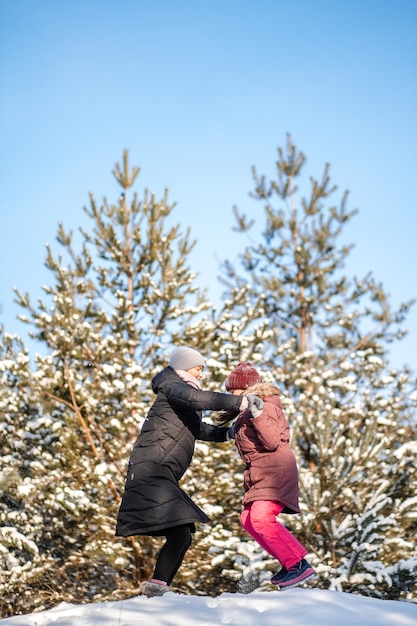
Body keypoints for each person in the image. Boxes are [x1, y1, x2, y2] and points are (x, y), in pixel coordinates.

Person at [115, 347, 262, 597]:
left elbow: (196, 429)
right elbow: (198, 399)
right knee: (181, 530)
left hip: (160, 472)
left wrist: (226, 433)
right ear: (184, 367)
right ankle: (156, 590)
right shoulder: (172, 387)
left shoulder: (180, 394)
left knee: (182, 533)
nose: (201, 374)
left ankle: (157, 588)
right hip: (151, 470)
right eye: (198, 368)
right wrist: (241, 402)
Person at [223, 362, 316, 590]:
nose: (231, 397)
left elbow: (272, 441)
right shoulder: (247, 412)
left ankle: (298, 564)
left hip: (275, 471)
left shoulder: (265, 406)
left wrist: (256, 414)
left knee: (261, 518)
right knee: (248, 519)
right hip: (260, 472)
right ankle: (289, 562)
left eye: (233, 391)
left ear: (246, 389)